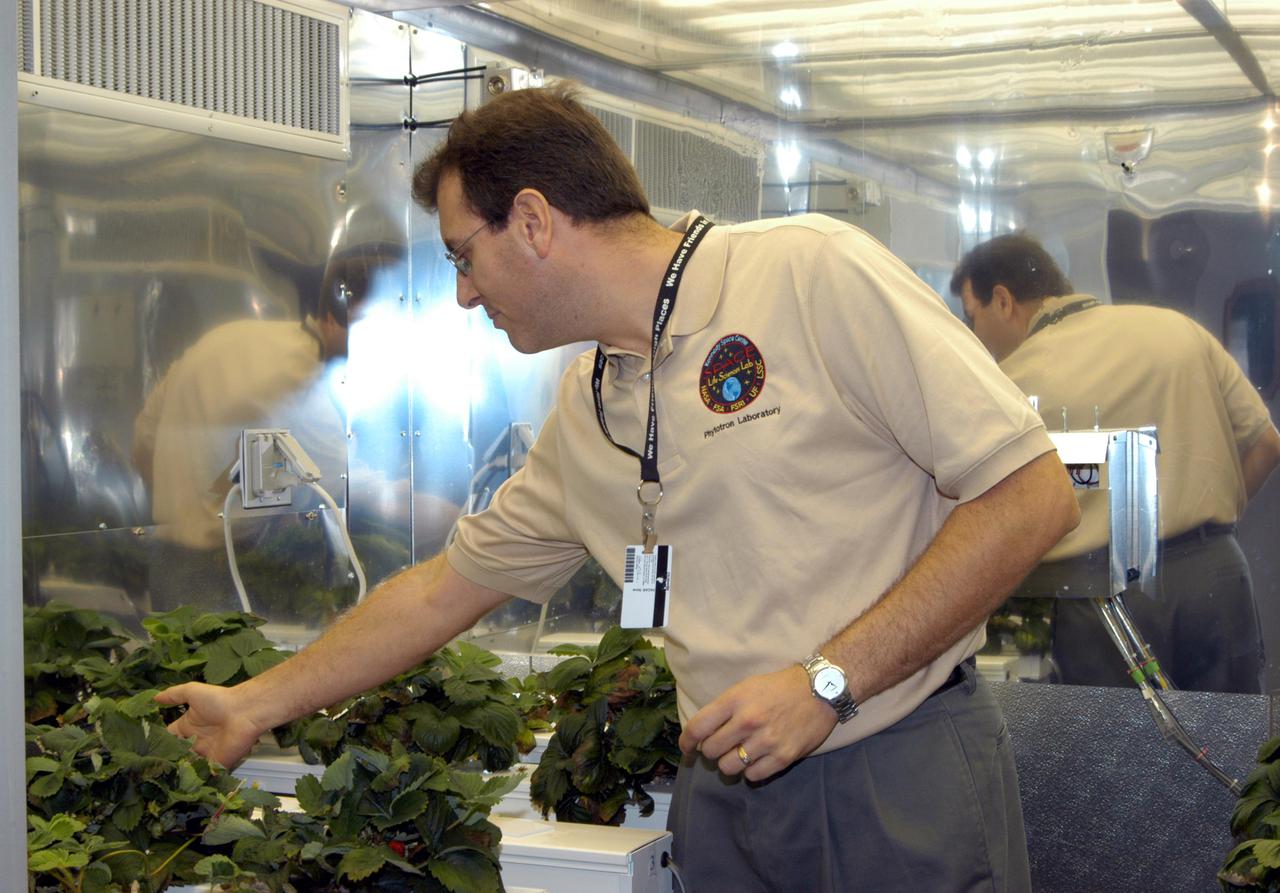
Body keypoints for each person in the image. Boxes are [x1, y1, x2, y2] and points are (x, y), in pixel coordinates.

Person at [158, 84, 1079, 892]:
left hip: (892, 768)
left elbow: (1031, 493)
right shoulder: (589, 405)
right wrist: (254, 703)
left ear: (532, 220)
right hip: (722, 792)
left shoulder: (807, 272)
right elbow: (443, 589)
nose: (465, 295)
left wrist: (826, 682)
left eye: (461, 256)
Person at [951, 233, 1280, 693]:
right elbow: (1265, 442)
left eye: (973, 317)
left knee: (1124, 757)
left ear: (1002, 300)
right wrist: (1208, 535)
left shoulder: (1013, 380)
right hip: (1218, 576)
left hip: (1103, 597)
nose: (976, 337)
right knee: (1232, 748)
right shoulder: (1177, 330)